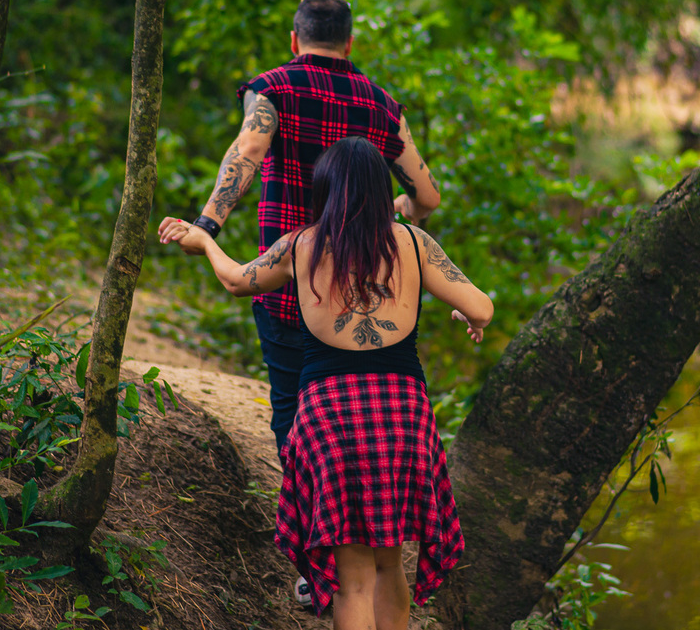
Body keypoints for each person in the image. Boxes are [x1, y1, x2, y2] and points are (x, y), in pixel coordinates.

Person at [159, 136, 492, 627]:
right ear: (383, 189)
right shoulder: (414, 243)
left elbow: (235, 280)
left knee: (352, 577)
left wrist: (205, 239)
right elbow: (482, 306)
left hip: (331, 416)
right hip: (402, 415)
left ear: (327, 190)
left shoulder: (300, 245)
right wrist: (468, 313)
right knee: (389, 560)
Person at [159, 0, 441, 460]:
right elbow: (427, 196)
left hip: (292, 282)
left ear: (295, 39)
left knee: (293, 405)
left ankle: (306, 505)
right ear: (349, 45)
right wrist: (400, 208)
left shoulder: (274, 89)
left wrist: (206, 224)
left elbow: (248, 151)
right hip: (370, 288)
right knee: (360, 409)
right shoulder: (382, 105)